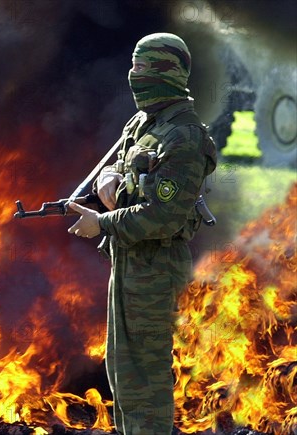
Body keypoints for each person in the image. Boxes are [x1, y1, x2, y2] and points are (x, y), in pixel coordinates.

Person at [67, 33, 217, 434]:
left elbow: (163, 216)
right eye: (132, 66)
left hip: (157, 268)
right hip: (129, 262)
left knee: (145, 384)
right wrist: (111, 176)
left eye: (141, 67)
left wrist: (99, 223)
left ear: (164, 72)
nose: (132, 76)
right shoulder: (146, 122)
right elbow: (118, 163)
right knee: (123, 375)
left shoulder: (184, 136)